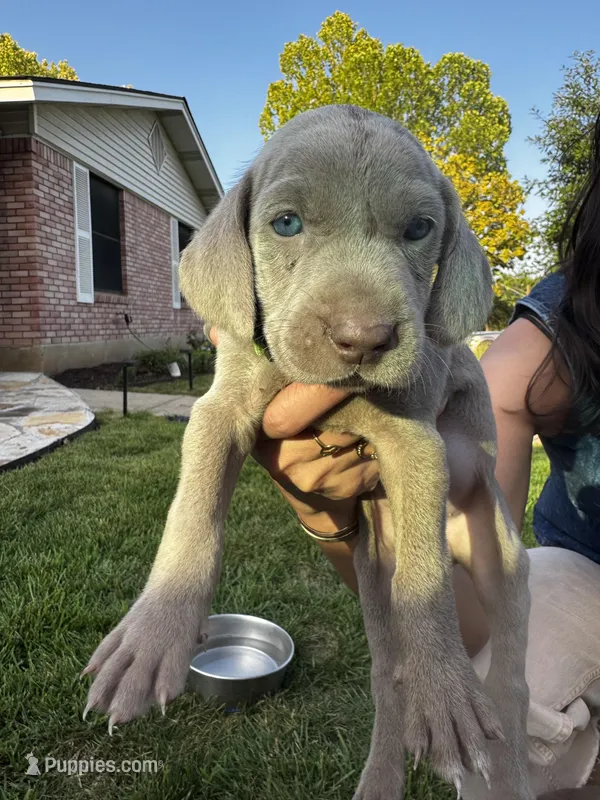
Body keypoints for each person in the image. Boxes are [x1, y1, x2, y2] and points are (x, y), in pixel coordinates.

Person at [209, 111, 600, 796]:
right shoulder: (570, 314)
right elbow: (469, 609)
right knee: (487, 715)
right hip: (584, 575)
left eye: (414, 231)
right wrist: (336, 519)